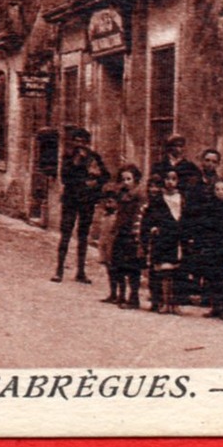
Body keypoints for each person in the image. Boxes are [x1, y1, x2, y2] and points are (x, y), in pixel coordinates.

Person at [53, 127, 109, 284]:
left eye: (83, 142)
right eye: (77, 141)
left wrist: (96, 182)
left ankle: (81, 272)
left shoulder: (94, 158)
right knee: (65, 235)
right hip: (70, 201)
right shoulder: (68, 158)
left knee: (83, 236)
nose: (80, 145)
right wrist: (77, 166)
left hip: (86, 202)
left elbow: (106, 175)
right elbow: (64, 178)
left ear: (87, 143)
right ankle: (59, 270)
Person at [191, 178, 223, 319]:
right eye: (217, 189)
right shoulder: (208, 208)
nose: (220, 192)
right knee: (211, 277)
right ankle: (214, 307)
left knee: (222, 278)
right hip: (211, 246)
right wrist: (201, 245)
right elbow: (202, 228)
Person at [141, 169, 187, 313]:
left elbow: (185, 218)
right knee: (159, 270)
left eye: (173, 179)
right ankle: (158, 301)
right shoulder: (157, 199)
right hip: (161, 238)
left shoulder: (182, 199)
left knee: (175, 271)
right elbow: (150, 217)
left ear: (178, 181)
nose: (170, 182)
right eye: (167, 179)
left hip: (175, 238)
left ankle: (173, 302)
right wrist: (153, 228)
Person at [109, 165, 146, 310]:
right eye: (123, 179)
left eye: (129, 179)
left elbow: (139, 216)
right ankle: (121, 294)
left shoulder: (140, 196)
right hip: (121, 233)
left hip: (132, 234)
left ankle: (134, 297)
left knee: (132, 267)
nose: (126, 182)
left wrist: (137, 233)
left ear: (135, 180)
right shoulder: (121, 195)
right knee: (118, 264)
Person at [150, 135, 203, 200]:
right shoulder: (159, 166)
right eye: (175, 146)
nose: (178, 149)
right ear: (169, 147)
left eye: (181, 146)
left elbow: (195, 185)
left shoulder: (190, 167)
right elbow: (153, 185)